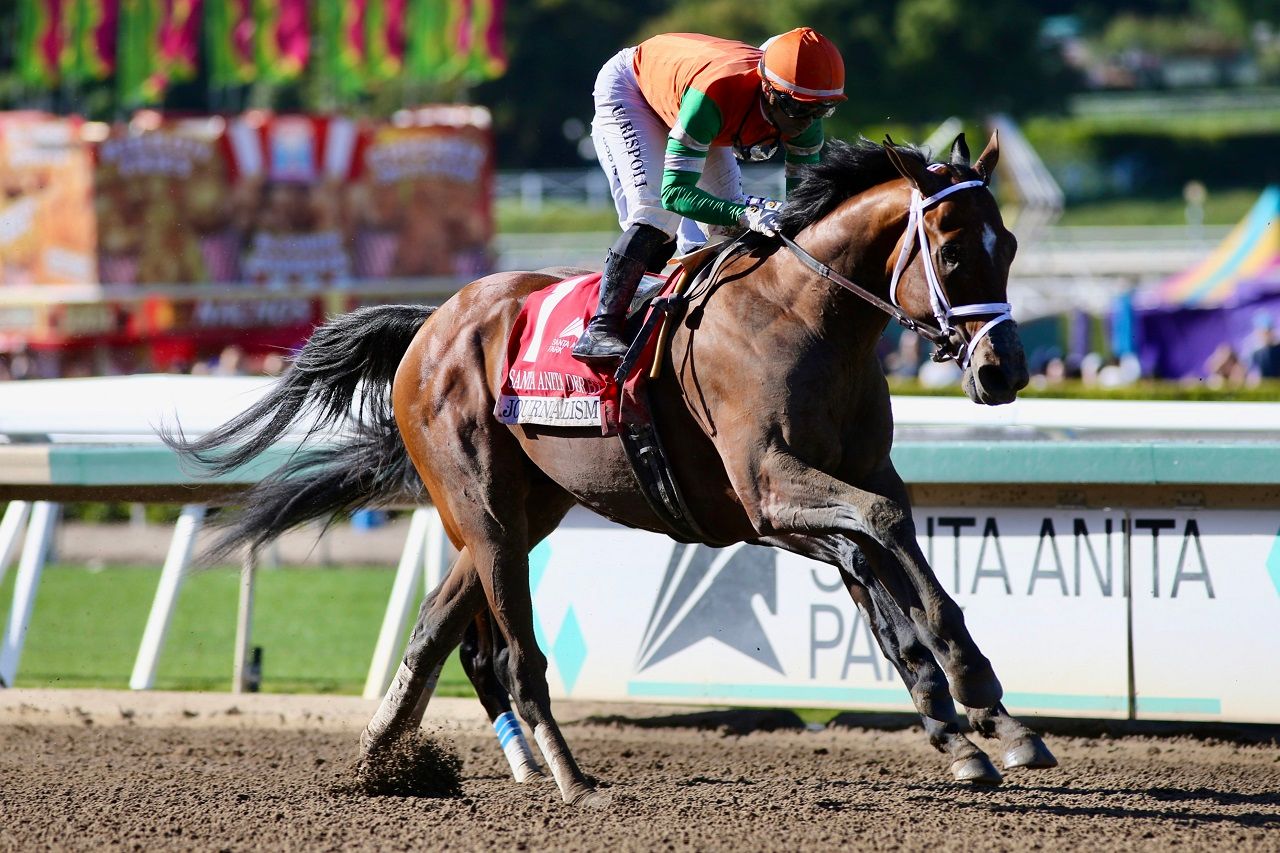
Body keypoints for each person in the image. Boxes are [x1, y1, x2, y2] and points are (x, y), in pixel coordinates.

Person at [573, 28, 846, 363]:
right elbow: (675, 194)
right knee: (656, 213)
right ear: (769, 90)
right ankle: (601, 327)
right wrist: (745, 213)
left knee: (723, 230)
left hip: (693, 95)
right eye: (800, 110)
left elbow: (805, 210)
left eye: (821, 110)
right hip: (633, 90)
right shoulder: (715, 95)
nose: (807, 123)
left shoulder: (805, 109)